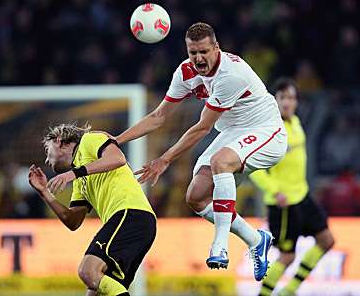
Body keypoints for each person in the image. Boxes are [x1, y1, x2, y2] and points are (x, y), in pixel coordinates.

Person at [116, 22, 287, 280]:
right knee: (196, 197)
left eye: (204, 52)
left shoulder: (231, 74)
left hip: (266, 130)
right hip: (232, 133)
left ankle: (219, 246)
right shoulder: (185, 73)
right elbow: (158, 116)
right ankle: (255, 239)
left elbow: (202, 128)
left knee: (220, 161)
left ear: (216, 48)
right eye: (193, 53)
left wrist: (165, 159)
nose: (198, 58)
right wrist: (117, 140)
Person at [28, 123, 156, 296]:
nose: (46, 159)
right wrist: (45, 193)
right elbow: (73, 221)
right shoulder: (80, 179)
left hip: (131, 214)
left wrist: (72, 174)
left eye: (47, 149)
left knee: (87, 271)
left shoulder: (89, 141)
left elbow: (117, 159)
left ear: (58, 141)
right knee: (94, 291)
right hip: (135, 222)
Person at [249, 78, 335, 296]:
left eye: (291, 98)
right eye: (282, 98)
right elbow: (252, 167)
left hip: (302, 197)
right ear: (274, 100)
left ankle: (290, 290)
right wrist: (274, 190)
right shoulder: (268, 129)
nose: (287, 103)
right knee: (287, 257)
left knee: (326, 240)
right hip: (283, 203)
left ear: (296, 102)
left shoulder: (295, 122)